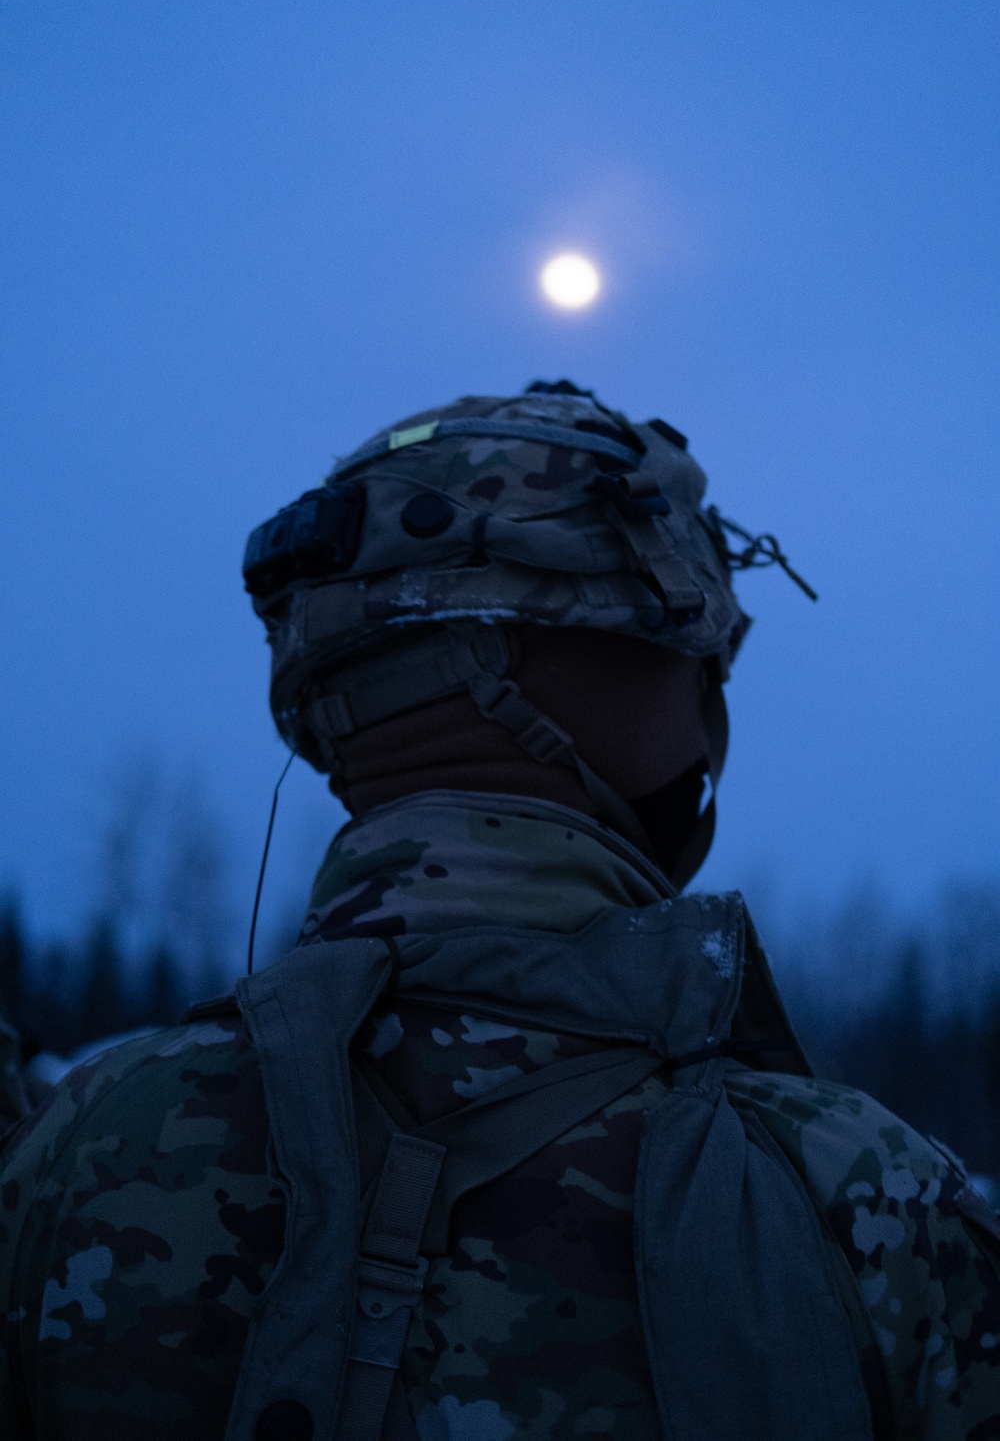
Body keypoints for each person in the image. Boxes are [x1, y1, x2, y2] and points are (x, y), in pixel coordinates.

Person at [2, 381, 1000, 1441]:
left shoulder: (77, 1147)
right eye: (700, 671)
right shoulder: (848, 1192)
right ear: (605, 673)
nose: (712, 721)